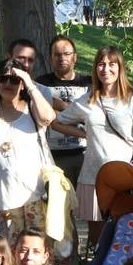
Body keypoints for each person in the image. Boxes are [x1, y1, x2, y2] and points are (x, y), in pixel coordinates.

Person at [59, 46, 133, 245]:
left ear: (120, 67)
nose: (106, 69)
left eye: (111, 64)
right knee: (97, 239)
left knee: (124, 233)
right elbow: (58, 122)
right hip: (92, 176)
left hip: (123, 178)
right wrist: (85, 134)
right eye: (101, 64)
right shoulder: (88, 100)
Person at [0, 60, 58, 239]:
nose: (8, 84)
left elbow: (49, 117)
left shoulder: (32, 109)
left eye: (14, 80)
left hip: (35, 197)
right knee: (11, 254)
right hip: (3, 199)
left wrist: (29, 82)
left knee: (38, 252)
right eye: (3, 79)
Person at [36, 35, 91, 186]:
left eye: (67, 54)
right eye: (57, 54)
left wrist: (58, 106)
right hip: (53, 156)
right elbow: (43, 114)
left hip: (85, 153)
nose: (62, 58)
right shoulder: (41, 84)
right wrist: (74, 111)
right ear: (50, 58)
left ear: (75, 57)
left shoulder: (89, 84)